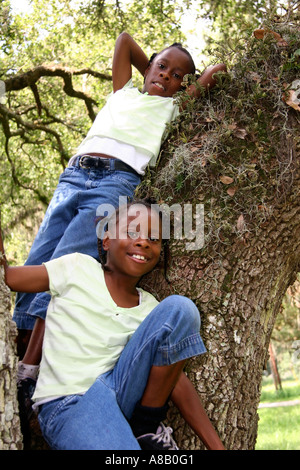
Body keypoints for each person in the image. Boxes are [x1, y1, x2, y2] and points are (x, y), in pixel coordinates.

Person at [12, 33, 226, 394]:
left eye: (177, 76)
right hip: (74, 174)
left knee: (65, 261)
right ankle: (16, 344)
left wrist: (169, 81)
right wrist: (151, 72)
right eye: (162, 67)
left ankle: (30, 366)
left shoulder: (173, 107)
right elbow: (125, 40)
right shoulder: (123, 91)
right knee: (38, 256)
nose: (167, 77)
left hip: (117, 181)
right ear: (149, 66)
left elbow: (216, 71)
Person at [0, 199, 225, 450]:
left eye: (154, 238)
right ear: (106, 240)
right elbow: (8, 277)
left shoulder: (150, 308)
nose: (143, 242)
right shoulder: (76, 268)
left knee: (180, 309)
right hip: (69, 404)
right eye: (131, 232)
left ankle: (145, 427)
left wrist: (217, 447)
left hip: (119, 395)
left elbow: (174, 380)